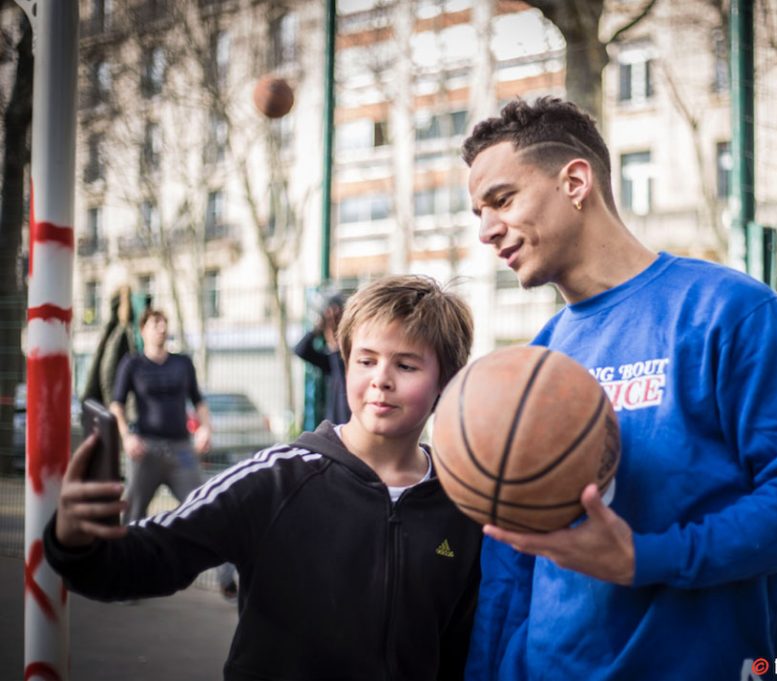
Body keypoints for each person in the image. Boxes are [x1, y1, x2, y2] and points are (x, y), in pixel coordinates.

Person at [461, 97, 777, 680]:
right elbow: (509, 559)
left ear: (575, 181)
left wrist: (646, 558)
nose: (488, 230)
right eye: (478, 214)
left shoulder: (730, 312)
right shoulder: (537, 360)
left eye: (502, 200)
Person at [44, 274, 482, 681]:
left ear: (445, 380)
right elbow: (138, 561)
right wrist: (76, 542)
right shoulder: (275, 479)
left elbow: (461, 649)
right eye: (366, 360)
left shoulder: (462, 505)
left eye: (406, 366)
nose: (380, 380)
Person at [109, 308, 211, 524]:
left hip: (181, 449)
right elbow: (116, 405)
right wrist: (127, 437)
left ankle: (202, 558)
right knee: (132, 514)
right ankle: (129, 556)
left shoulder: (182, 363)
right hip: (146, 450)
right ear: (143, 330)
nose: (162, 328)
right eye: (156, 323)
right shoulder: (132, 364)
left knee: (202, 506)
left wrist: (205, 429)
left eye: (164, 323)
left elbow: (199, 402)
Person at [294, 293, 351, 424]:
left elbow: (342, 372)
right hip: (335, 425)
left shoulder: (353, 354)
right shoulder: (330, 360)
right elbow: (301, 350)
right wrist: (317, 328)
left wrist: (335, 342)